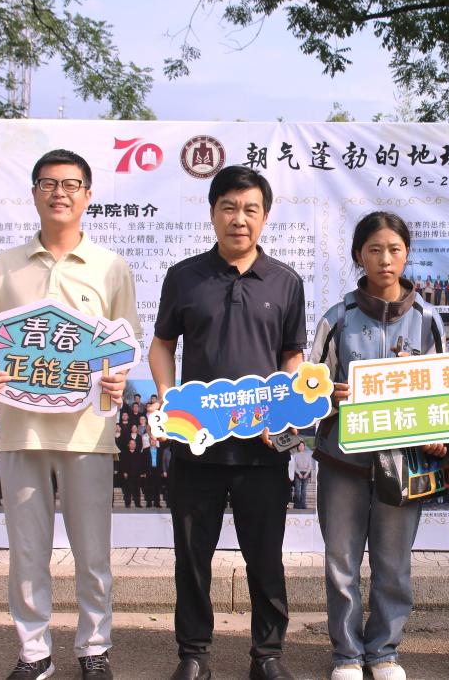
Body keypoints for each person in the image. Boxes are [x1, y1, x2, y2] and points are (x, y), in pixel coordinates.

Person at [0, 148, 138, 680]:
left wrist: (117, 379)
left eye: (70, 185)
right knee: (27, 551)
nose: (59, 193)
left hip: (87, 434)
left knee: (93, 552)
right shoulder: (6, 266)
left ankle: (94, 648)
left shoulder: (111, 267)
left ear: (88, 195)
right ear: (34, 193)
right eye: (48, 183)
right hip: (21, 430)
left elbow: (125, 346)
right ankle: (33, 652)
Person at [149, 165, 305, 680]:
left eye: (250, 209)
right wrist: (169, 401)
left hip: (262, 449)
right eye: (229, 208)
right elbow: (161, 346)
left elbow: (292, 355)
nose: (240, 219)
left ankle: (268, 656)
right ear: (213, 213)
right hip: (196, 446)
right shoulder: (184, 277)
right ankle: (193, 654)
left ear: (265, 216)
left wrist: (282, 411)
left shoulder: (285, 282)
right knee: (192, 558)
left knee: (266, 558)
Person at [310, 211, 448, 680]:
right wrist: (329, 396)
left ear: (406, 254)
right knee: (341, 562)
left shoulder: (427, 319)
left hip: (405, 464)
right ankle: (347, 655)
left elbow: (443, 393)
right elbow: (307, 391)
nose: (385, 259)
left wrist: (437, 434)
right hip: (343, 462)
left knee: (394, 563)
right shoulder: (337, 319)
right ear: (358, 256)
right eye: (374, 250)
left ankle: (385, 652)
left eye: (394, 249)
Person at [290, 444, 312, 510]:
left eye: (302, 445)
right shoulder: (295, 455)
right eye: (299, 446)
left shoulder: (308, 455)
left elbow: (310, 465)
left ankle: (303, 504)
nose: (301, 447)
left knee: (304, 490)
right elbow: (294, 465)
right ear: (297, 447)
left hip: (306, 473)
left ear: (304, 447)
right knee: (297, 490)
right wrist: (299, 473)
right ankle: (297, 505)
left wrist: (307, 473)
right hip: (298, 473)